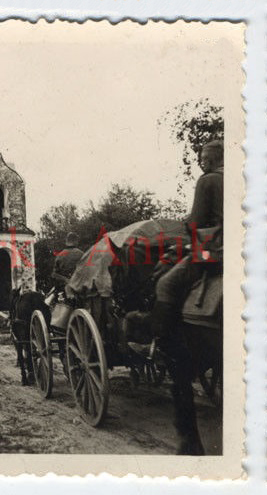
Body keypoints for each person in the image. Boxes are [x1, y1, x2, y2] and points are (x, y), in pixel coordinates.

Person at [151, 139, 224, 455]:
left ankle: (165, 343)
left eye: (203, 158)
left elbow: (195, 222)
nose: (201, 164)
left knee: (166, 284)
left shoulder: (210, 180)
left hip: (219, 251)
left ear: (213, 159)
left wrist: (188, 230)